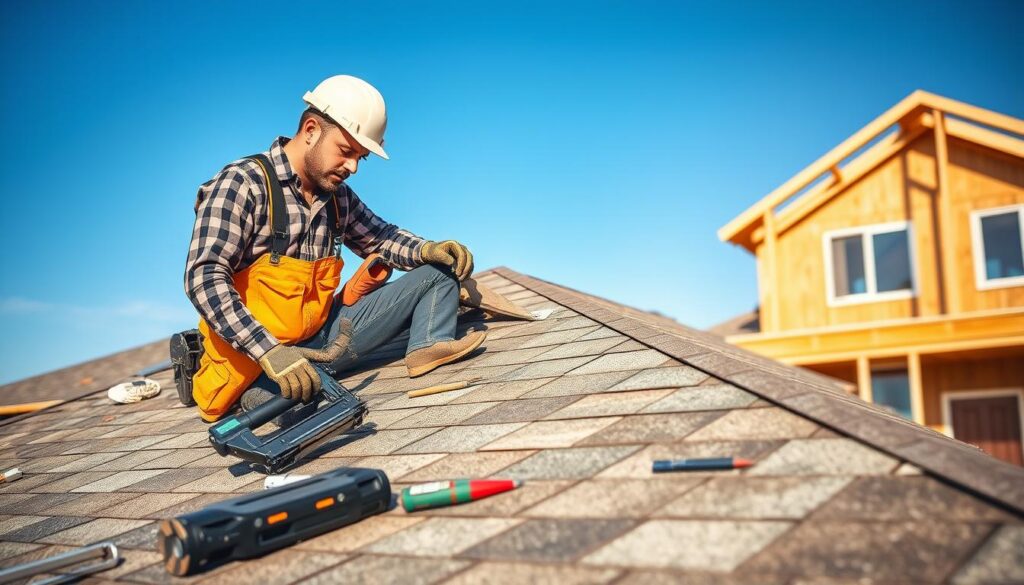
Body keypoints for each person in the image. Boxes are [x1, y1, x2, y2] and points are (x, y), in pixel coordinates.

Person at [184, 75, 485, 422]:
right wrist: (270, 351)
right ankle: (272, 398)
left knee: (437, 273)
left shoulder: (336, 197)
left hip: (325, 343)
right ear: (311, 129)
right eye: (346, 152)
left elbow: (381, 238)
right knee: (302, 404)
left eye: (360, 158)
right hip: (258, 365)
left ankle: (428, 344)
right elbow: (203, 278)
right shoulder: (242, 184)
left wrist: (428, 248)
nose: (353, 167)